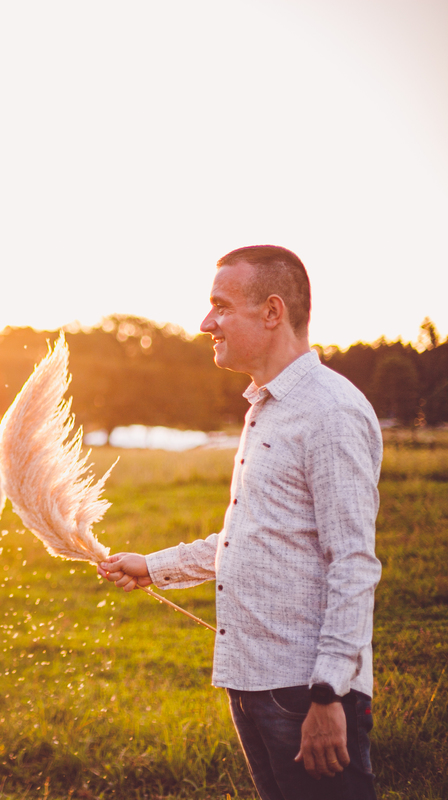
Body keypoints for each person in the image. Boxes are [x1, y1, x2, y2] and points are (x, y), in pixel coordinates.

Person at [98, 246, 381, 800]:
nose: (207, 324)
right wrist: (153, 567)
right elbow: (252, 539)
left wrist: (327, 697)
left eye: (220, 306)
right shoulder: (267, 407)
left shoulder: (330, 412)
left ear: (271, 311)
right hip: (254, 682)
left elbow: (354, 562)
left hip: (305, 691)